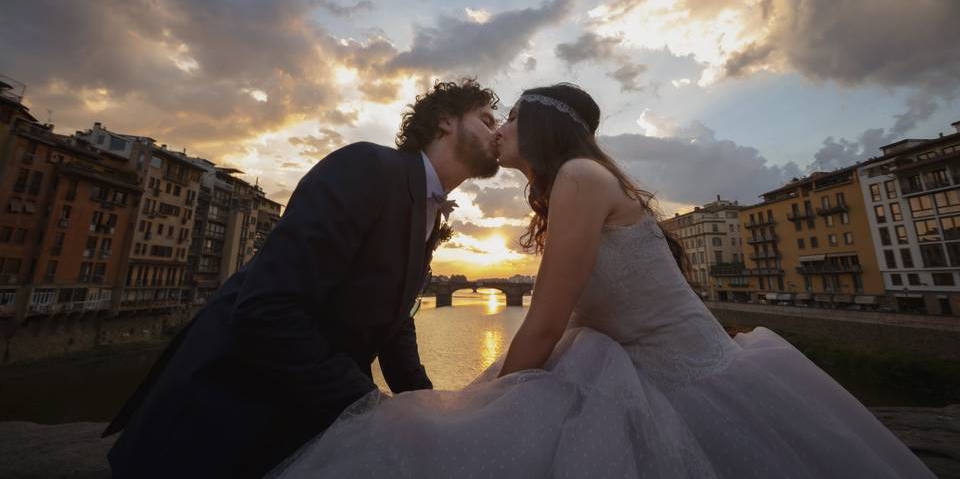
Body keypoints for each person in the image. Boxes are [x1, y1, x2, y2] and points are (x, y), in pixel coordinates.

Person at [271, 83, 934, 478]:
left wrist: (475, 408)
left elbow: (547, 321)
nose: (497, 130)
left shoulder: (579, 179)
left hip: (691, 386)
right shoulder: (569, 187)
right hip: (647, 376)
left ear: (538, 125)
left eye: (506, 118)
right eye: (489, 117)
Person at [103, 79, 501, 479]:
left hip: (294, 418)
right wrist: (367, 406)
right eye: (487, 119)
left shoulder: (427, 211)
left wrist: (426, 408)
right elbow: (266, 308)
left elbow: (394, 319)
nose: (497, 130)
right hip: (220, 418)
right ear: (446, 122)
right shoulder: (369, 167)